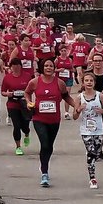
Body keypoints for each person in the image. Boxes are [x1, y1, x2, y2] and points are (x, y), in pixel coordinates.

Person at [25, 59, 73, 187]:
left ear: (54, 68)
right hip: (39, 118)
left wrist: (76, 106)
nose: (48, 68)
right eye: (46, 65)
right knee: (45, 144)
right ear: (42, 67)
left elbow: (66, 97)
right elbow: (27, 93)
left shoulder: (60, 83)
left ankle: (44, 164)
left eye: (51, 66)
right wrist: (28, 102)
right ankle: (44, 172)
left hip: (54, 119)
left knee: (49, 146)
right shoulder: (35, 82)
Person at [72, 71, 103, 189]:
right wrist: (79, 110)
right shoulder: (79, 97)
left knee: (96, 152)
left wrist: (102, 111)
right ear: (83, 83)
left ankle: (92, 156)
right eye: (86, 81)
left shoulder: (100, 96)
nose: (89, 83)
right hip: (86, 130)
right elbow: (74, 116)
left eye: (91, 81)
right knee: (91, 153)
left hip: (98, 129)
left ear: (94, 83)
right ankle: (92, 178)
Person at [0, 59, 33, 156]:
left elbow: (33, 88)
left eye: (17, 65)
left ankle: (27, 134)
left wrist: (27, 95)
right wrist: (8, 94)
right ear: (11, 67)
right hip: (12, 104)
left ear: (20, 66)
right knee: (16, 126)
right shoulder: (7, 78)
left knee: (25, 126)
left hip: (24, 103)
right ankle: (18, 146)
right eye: (13, 65)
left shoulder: (27, 76)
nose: (15, 67)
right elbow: (2, 91)